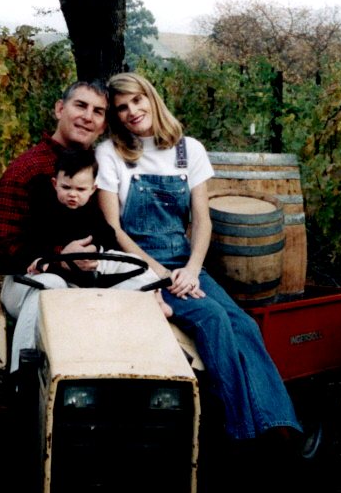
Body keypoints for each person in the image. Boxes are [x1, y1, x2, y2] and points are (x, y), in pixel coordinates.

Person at [95, 72, 309, 448]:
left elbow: (202, 219)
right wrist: (160, 273)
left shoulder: (187, 149)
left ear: (151, 97)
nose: (132, 112)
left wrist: (192, 269)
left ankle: (280, 425)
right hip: (139, 265)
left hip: (184, 259)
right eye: (122, 108)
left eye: (137, 100)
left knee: (243, 324)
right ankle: (239, 430)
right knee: (211, 318)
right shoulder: (111, 153)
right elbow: (114, 230)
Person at [0, 80, 109, 372]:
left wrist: (96, 252)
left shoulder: (99, 173)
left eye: (98, 111)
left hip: (87, 277)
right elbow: (0, 251)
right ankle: (24, 383)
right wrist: (60, 257)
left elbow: (108, 230)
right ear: (59, 109)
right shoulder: (27, 171)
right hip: (28, 281)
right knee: (51, 288)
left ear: (103, 125)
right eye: (80, 105)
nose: (87, 116)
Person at [25, 147, 172, 317]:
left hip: (96, 263)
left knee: (137, 262)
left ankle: (157, 299)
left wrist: (96, 247)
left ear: (92, 189)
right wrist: (46, 258)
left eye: (80, 190)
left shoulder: (92, 211)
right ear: (54, 184)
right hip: (63, 270)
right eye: (66, 187)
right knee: (50, 279)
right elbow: (36, 239)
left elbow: (109, 236)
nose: (73, 194)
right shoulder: (46, 212)